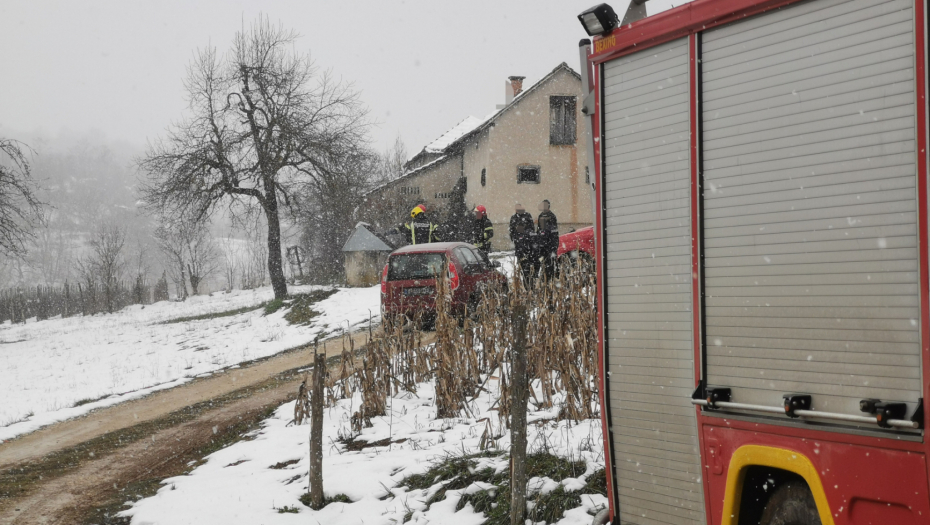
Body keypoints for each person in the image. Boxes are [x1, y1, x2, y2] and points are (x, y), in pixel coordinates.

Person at [509, 203, 536, 286]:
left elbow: (532, 230)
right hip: (520, 248)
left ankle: (531, 284)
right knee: (523, 268)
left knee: (530, 268)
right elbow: (512, 232)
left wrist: (527, 239)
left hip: (528, 248)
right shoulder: (514, 218)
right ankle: (526, 284)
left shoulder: (527, 216)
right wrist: (516, 241)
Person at [536, 199, 559, 281]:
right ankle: (544, 280)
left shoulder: (552, 216)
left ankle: (550, 281)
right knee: (542, 265)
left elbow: (554, 233)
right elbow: (538, 230)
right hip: (541, 246)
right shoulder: (540, 215)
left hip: (549, 245)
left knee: (550, 266)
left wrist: (554, 247)